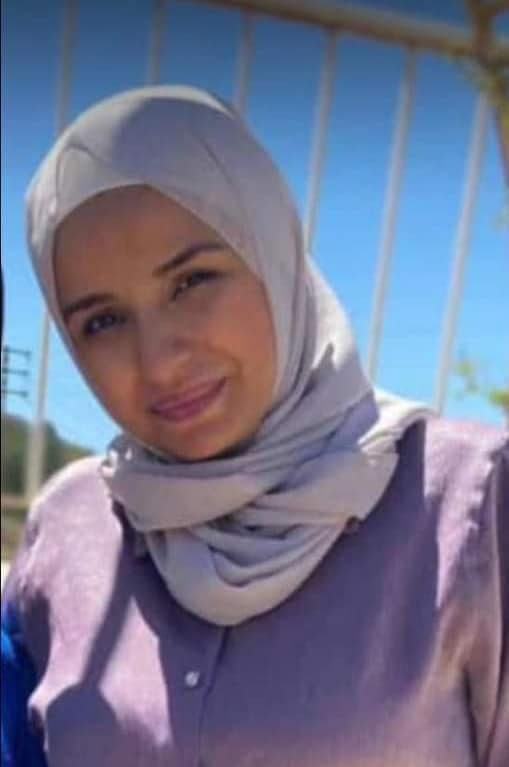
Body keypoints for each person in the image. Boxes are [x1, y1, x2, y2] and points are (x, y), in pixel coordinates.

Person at [1, 85, 507, 767]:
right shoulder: (70, 531)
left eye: (191, 282)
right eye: (103, 321)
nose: (159, 361)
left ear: (273, 254)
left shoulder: (472, 506)